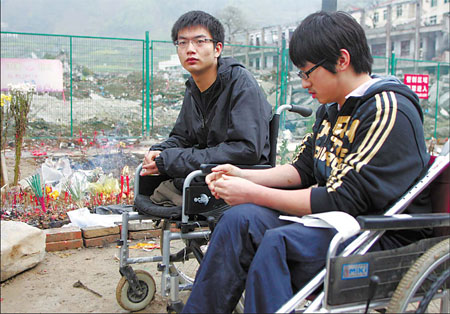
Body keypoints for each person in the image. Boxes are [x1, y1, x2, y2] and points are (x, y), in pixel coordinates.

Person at [182, 11, 431, 313]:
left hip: (377, 235)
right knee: (239, 220)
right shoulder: (330, 110)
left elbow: (343, 198)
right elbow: (302, 170)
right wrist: (243, 175)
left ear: (341, 60)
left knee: (277, 244)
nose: (303, 84)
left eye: (307, 72)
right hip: (336, 225)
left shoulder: (386, 108)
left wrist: (251, 193)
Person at [140, 10, 272, 200]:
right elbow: (182, 137)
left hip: (240, 179)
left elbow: (246, 150)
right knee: (150, 182)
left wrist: (173, 160)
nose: (190, 49)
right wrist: (160, 150)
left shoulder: (241, 84)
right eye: (182, 42)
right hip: (206, 176)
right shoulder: (194, 87)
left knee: (169, 181)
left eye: (200, 41)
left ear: (217, 49)